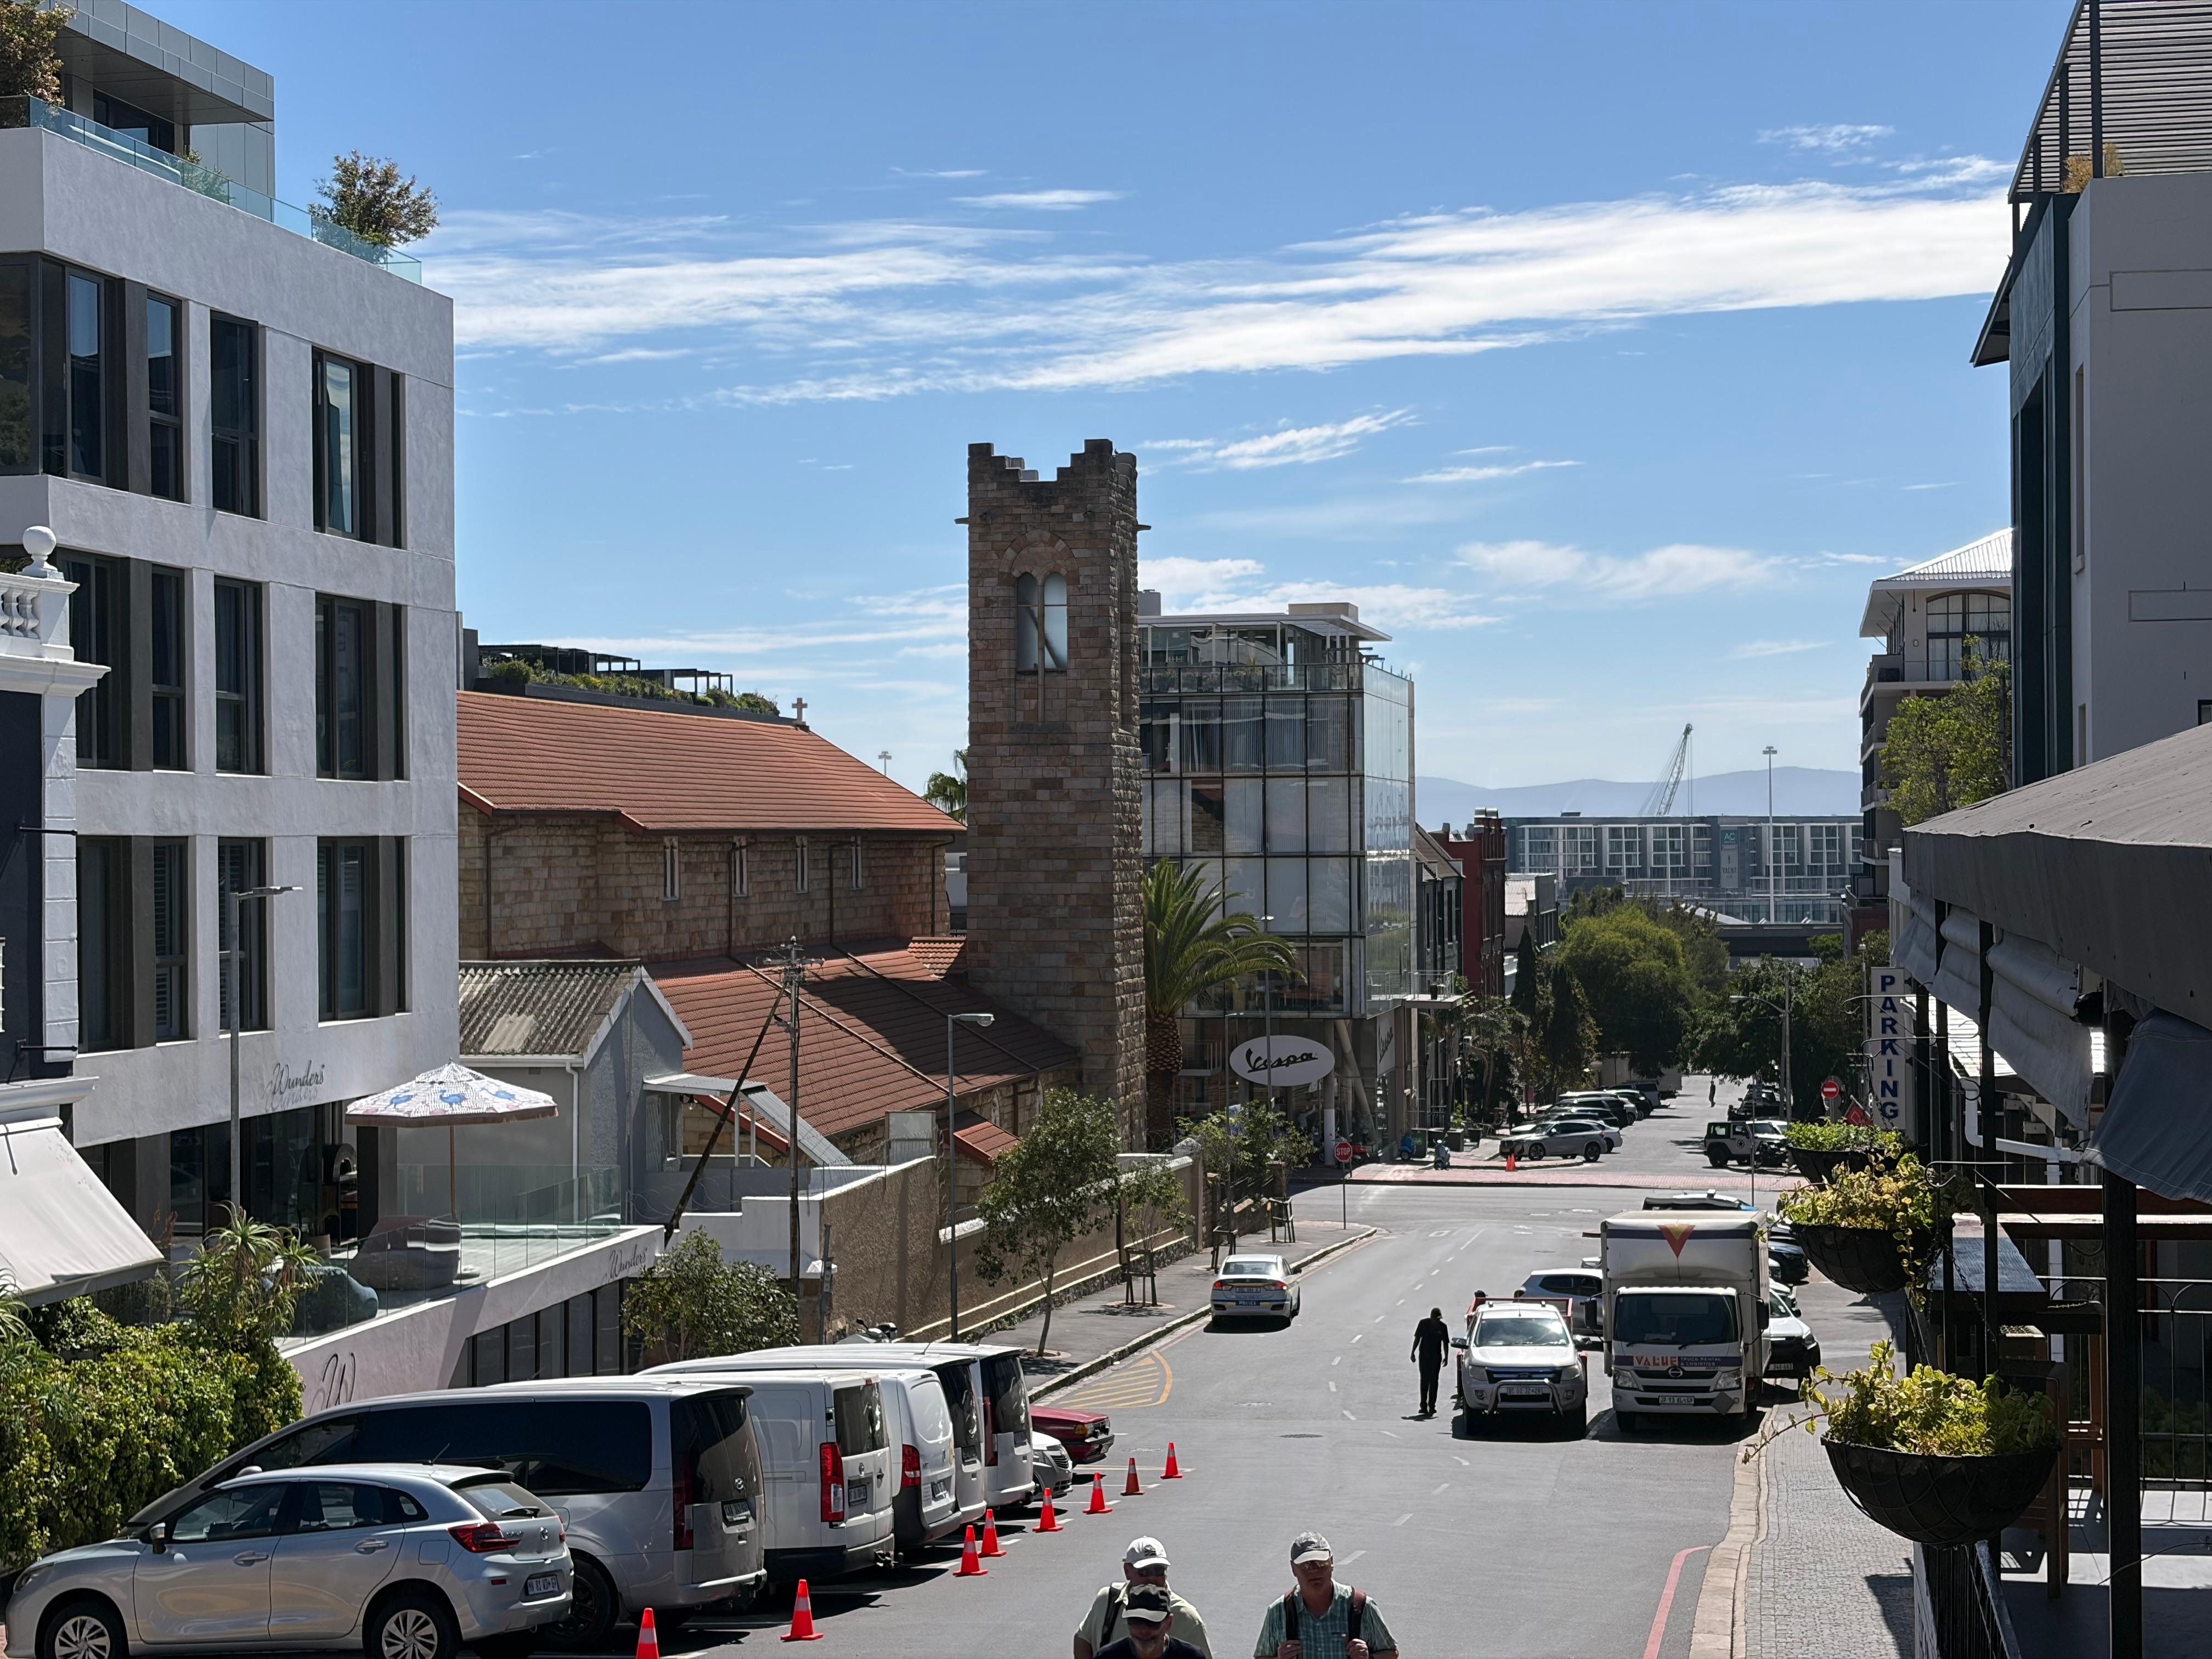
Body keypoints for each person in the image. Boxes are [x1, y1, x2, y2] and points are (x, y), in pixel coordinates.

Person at [1253, 1532, 1399, 1659]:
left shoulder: (1361, 1606)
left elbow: (1392, 1653)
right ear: (1293, 1569)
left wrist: (1370, 1657)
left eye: (1320, 1563)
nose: (1314, 1570)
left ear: (1332, 1563)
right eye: (1305, 1565)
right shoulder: (1279, 1611)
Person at [1076, 1537, 1213, 1659]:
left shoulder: (1186, 1616)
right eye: (1145, 1571)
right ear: (1127, 1571)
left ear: (1169, 1622)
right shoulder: (1108, 1600)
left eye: (1158, 1571)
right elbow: (1083, 1639)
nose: (1152, 1578)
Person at [1097, 1584, 1207, 1659]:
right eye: (1136, 1622)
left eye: (1152, 1623)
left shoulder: (1191, 1657)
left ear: (1169, 1623)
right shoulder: (1106, 1657)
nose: (1144, 1631)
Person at [1409, 1306, 1451, 1417]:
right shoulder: (1423, 1324)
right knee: (1424, 1380)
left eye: (1439, 1319)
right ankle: (1423, 1406)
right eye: (1436, 1319)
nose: (1438, 1321)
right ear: (1431, 1317)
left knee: (1434, 1381)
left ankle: (1432, 1406)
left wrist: (1446, 1357)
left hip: (1436, 1358)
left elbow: (1445, 1343)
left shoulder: (1443, 1327)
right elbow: (1417, 1338)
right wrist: (1413, 1352)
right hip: (1424, 1356)